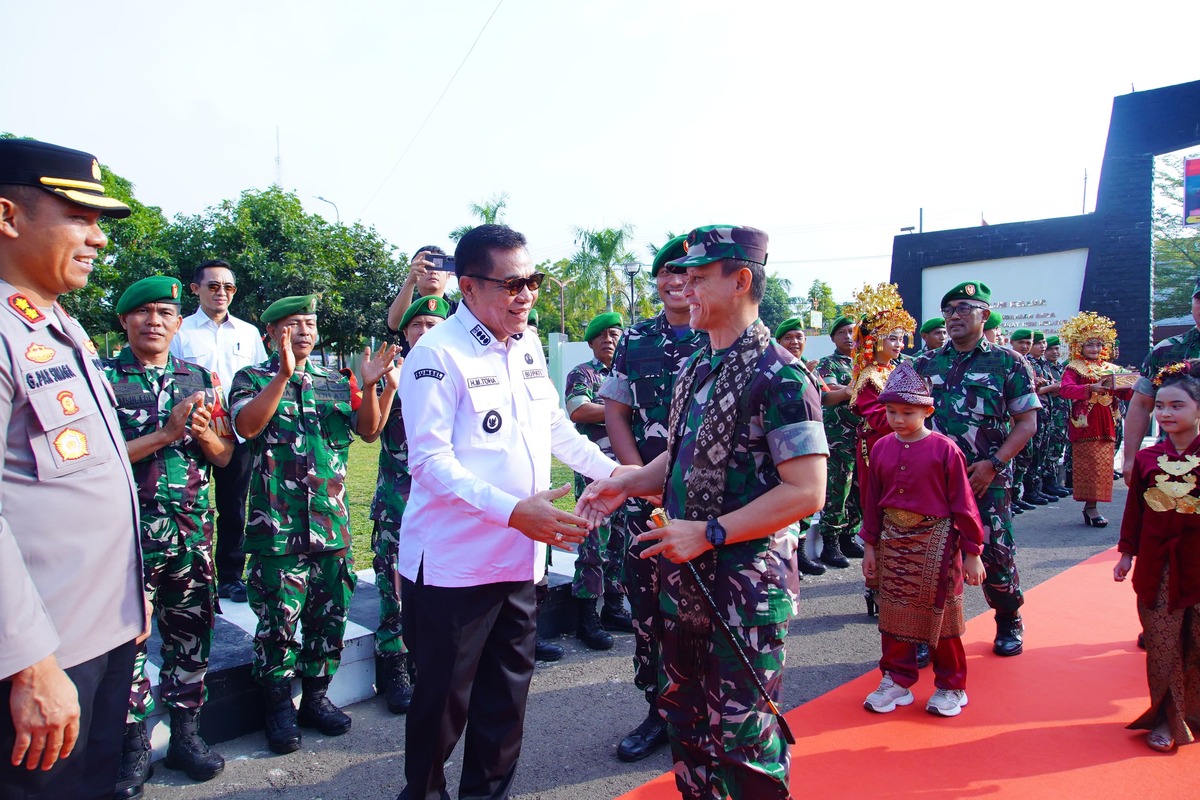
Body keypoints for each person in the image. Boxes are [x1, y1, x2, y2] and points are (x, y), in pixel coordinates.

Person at [579, 225, 828, 799]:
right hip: (685, 584)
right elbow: (681, 453)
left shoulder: (782, 376)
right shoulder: (698, 365)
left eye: (696, 278)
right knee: (688, 729)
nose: (683, 289)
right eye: (681, 277)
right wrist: (629, 482)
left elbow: (807, 491)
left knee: (743, 745)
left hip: (744, 593)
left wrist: (711, 532)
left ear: (740, 280)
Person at [396, 225, 623, 800]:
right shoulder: (436, 353)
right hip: (453, 569)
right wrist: (513, 512)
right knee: (442, 708)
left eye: (532, 281)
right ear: (469, 287)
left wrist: (618, 476)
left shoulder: (525, 344)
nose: (526, 295)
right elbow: (429, 462)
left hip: (520, 561)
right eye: (512, 284)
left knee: (505, 704)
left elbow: (555, 428)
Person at [0, 138, 145, 799]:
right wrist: (28, 662)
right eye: (78, 218)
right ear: (8, 217)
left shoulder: (58, 324)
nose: (98, 239)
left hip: (101, 631)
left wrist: (130, 591)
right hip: (41, 652)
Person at [228, 294, 397, 754]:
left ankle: (317, 698)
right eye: (292, 324)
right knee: (277, 622)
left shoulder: (335, 380)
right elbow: (247, 427)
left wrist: (375, 386)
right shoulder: (251, 378)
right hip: (277, 528)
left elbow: (368, 431)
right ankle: (278, 707)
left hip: (330, 523)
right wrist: (283, 376)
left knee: (329, 617)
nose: (303, 331)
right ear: (271, 333)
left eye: (309, 323)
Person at [103, 276, 234, 795]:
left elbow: (223, 455)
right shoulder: (102, 379)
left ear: (178, 324)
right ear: (124, 321)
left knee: (191, 639)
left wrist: (202, 434)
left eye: (164, 313)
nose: (153, 321)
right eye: (143, 312)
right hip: (128, 537)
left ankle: (186, 737)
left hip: (191, 534)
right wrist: (165, 435)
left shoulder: (198, 378)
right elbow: (96, 459)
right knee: (128, 645)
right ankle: (132, 748)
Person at [598, 234, 708, 763]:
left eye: (685, 272)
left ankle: (707, 711)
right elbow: (616, 411)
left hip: (707, 504)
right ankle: (658, 711)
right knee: (648, 607)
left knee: (705, 608)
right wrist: (639, 477)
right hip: (647, 503)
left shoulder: (718, 335)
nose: (674, 281)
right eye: (666, 272)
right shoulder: (635, 339)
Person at [913, 281, 1039, 658]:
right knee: (931, 557)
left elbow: (1026, 423)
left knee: (995, 553)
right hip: (934, 481)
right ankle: (928, 632)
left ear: (985, 314)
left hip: (986, 479)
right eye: (949, 310)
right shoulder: (923, 364)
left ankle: (1008, 617)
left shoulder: (1008, 362)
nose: (954, 316)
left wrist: (993, 464)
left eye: (964, 308)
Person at [860, 363, 985, 717]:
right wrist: (869, 547)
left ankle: (952, 685)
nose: (898, 419)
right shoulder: (881, 448)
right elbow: (872, 500)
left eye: (907, 412)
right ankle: (896, 680)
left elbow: (964, 505)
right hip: (892, 541)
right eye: (891, 412)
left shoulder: (946, 450)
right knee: (893, 614)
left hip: (938, 543)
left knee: (943, 619)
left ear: (927, 412)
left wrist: (973, 552)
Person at [361, 296, 450, 715]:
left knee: (444, 587)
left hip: (446, 503)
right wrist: (387, 387)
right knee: (394, 588)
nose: (425, 331)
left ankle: (430, 665)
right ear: (406, 332)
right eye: (418, 325)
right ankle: (394, 667)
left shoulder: (456, 371)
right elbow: (370, 431)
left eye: (433, 324)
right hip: (399, 501)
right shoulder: (389, 373)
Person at [171, 259, 268, 604]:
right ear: (195, 289)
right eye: (213, 286)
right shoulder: (180, 331)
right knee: (189, 504)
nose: (221, 293)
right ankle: (189, 575)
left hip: (236, 434)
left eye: (228, 287)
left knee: (234, 506)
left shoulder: (248, 332)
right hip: (190, 432)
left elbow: (260, 378)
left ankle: (230, 576)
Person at [1116, 359, 1200, 753]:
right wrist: (1126, 553)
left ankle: (1194, 712)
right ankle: (1166, 717)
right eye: (1160, 406)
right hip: (1157, 566)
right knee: (1162, 644)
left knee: (1196, 642)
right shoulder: (1149, 459)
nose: (1165, 413)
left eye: (1177, 406)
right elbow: (1134, 511)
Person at [565, 311, 633, 651]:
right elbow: (578, 409)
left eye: (614, 334)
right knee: (593, 543)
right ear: (591, 343)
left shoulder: (628, 375)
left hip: (629, 472)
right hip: (595, 474)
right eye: (601, 336)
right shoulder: (583, 373)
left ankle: (614, 607)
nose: (609, 340)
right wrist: (621, 411)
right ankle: (586, 616)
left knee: (622, 542)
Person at [1058, 312, 1133, 527]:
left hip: (1108, 422)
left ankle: (1092, 506)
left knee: (1103, 466)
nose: (1095, 349)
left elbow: (1125, 395)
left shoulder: (1112, 369)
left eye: (1099, 344)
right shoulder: (1074, 367)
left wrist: (1129, 384)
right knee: (1089, 465)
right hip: (1085, 423)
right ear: (1079, 346)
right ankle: (1091, 507)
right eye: (1090, 344)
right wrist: (1090, 388)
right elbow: (1065, 390)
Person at [1124, 279, 1200, 486]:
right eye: (1199, 299)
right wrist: (1130, 459)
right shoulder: (1167, 350)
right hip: (1174, 463)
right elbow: (1141, 404)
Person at [775, 316, 830, 576]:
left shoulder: (808, 369)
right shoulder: (775, 369)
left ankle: (799, 556)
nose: (795, 342)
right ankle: (787, 560)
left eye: (799, 337)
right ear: (778, 342)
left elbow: (825, 397)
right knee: (787, 505)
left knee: (807, 506)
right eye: (788, 337)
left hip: (811, 442)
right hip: (785, 447)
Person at [814, 316, 859, 572]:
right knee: (838, 488)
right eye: (841, 332)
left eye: (852, 331)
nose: (848, 337)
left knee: (858, 489)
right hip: (838, 436)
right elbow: (827, 393)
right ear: (832, 338)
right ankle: (830, 542)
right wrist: (849, 390)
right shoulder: (828, 363)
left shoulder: (866, 362)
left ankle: (848, 536)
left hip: (864, 435)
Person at [1008, 329, 1050, 511]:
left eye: (1028, 343)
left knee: (1029, 456)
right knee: (1015, 458)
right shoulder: (1010, 361)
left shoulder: (1032, 363)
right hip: (1015, 418)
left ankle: (1021, 494)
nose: (1025, 346)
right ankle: (1012, 497)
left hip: (1034, 416)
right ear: (1012, 343)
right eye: (1021, 343)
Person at [386, 245, 455, 353]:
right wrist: (410, 281)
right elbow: (394, 324)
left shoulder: (459, 309)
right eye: (427, 267)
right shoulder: (407, 306)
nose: (433, 272)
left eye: (439, 267)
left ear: (448, 275)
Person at [1042, 335, 1072, 496]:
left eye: (1057, 349)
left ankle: (1054, 481)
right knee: (1050, 449)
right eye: (1051, 349)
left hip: (1063, 414)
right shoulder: (1044, 367)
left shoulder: (1060, 368)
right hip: (1052, 415)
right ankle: (1048, 483)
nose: (1055, 352)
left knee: (1058, 448)